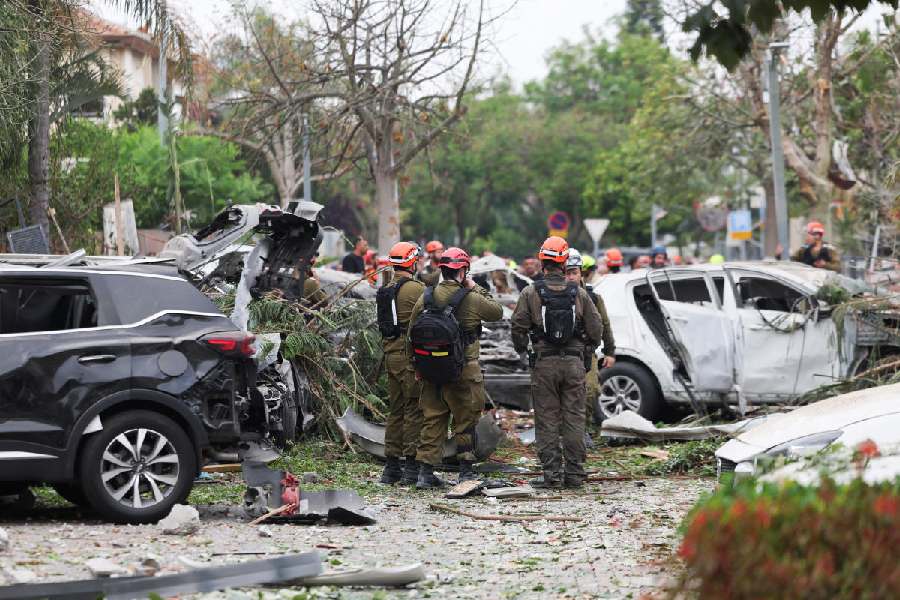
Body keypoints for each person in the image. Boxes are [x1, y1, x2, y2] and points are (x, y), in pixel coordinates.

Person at [510, 237, 605, 489]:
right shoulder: (580, 293)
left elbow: (517, 327)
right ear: (564, 263)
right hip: (574, 364)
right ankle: (574, 475)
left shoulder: (530, 292)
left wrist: (524, 350)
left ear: (542, 262)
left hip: (544, 364)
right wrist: (586, 349)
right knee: (574, 417)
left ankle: (551, 475)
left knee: (547, 419)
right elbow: (597, 329)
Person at [408, 247, 503, 488]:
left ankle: (425, 474)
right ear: (462, 271)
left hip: (430, 368)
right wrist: (474, 286)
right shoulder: (471, 298)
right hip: (464, 370)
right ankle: (466, 472)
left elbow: (411, 334)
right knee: (465, 421)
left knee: (432, 419)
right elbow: (496, 312)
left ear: (442, 269)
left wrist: (417, 366)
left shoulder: (426, 297)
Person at [376, 242, 426, 485]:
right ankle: (411, 468)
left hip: (390, 355)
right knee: (414, 410)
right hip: (409, 358)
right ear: (411, 262)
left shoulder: (387, 288)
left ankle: (391, 467)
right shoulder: (416, 288)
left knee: (395, 412)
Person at [565, 249, 616, 444]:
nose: (570, 277)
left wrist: (610, 351)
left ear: (580, 273)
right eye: (566, 272)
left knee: (590, 390)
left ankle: (582, 429)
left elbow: (605, 324)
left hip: (586, 353)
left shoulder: (593, 297)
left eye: (573, 272)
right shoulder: (552, 296)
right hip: (561, 354)